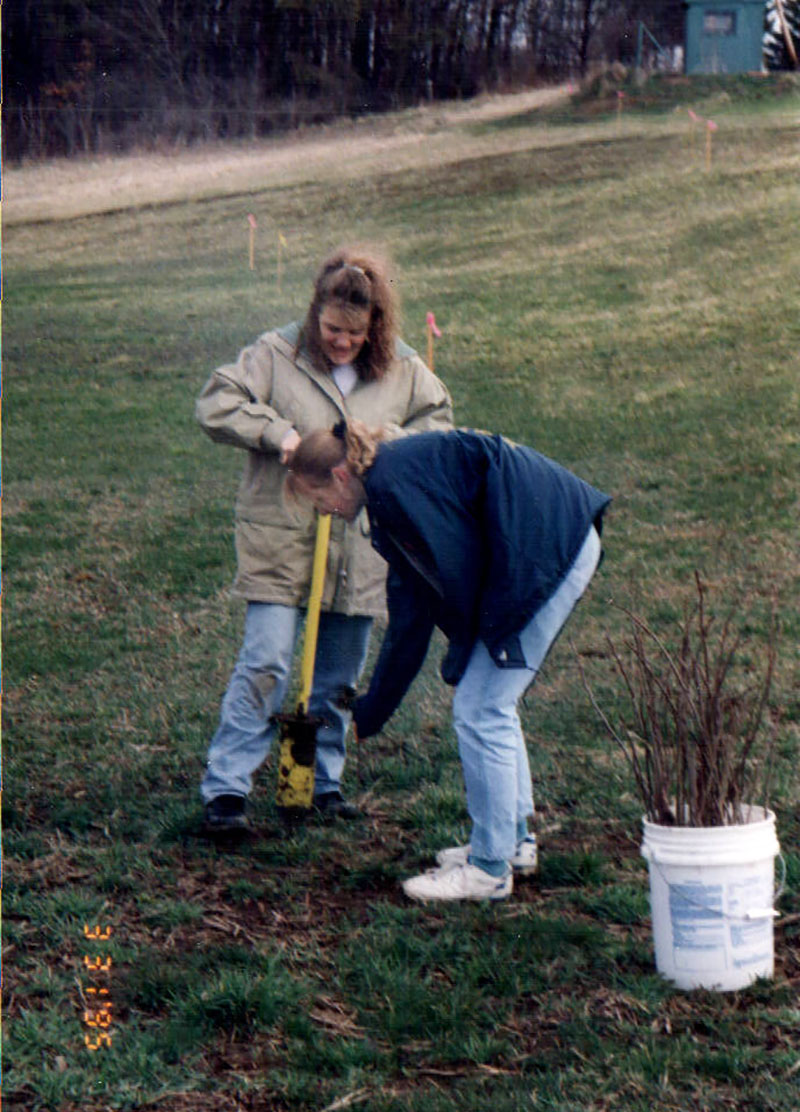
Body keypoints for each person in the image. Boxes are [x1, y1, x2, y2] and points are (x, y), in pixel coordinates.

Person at [286, 420, 611, 902]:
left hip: (546, 548)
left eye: (321, 501)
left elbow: (452, 578)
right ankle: (513, 842)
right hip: (546, 538)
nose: (328, 514)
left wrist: (462, 654)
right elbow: (412, 607)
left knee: (482, 709)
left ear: (338, 475)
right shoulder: (390, 483)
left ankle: (488, 870)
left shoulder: (393, 487)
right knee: (487, 702)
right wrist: (374, 708)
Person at [196, 248, 453, 834]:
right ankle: (228, 789)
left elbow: (438, 424)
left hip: (361, 545)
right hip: (282, 535)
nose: (341, 343)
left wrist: (380, 444)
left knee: (337, 675)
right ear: (316, 314)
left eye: (355, 335)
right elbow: (215, 403)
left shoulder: (405, 368)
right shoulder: (276, 353)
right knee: (267, 659)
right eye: (333, 330)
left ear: (375, 329)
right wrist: (281, 437)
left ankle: (317, 784)